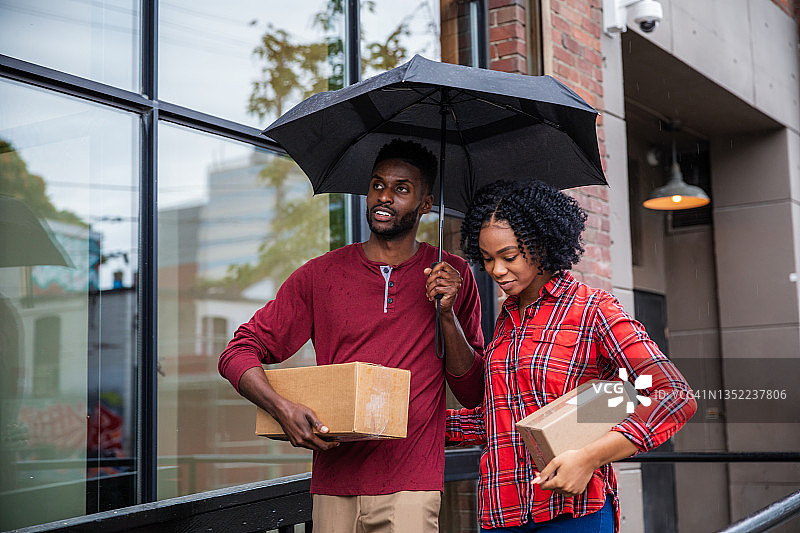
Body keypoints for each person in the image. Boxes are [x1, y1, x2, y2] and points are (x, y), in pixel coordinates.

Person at [218, 139, 485, 533]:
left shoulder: (452, 275)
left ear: (426, 205)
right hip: (333, 482)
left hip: (410, 484)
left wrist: (447, 314)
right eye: (378, 185)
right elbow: (238, 352)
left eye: (401, 189)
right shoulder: (319, 275)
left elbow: (473, 390)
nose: (384, 197)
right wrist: (281, 408)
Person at [446, 180, 697, 532]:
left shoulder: (593, 308)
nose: (496, 271)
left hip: (573, 512)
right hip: (502, 512)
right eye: (487, 259)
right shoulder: (505, 322)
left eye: (509, 256)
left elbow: (673, 396)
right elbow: (497, 421)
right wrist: (407, 422)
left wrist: (588, 458)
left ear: (543, 245)